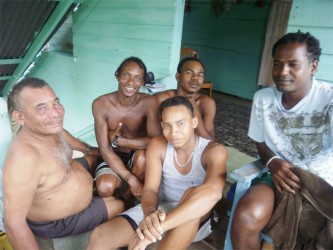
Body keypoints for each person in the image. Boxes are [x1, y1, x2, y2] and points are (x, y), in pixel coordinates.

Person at [231, 31, 333, 249]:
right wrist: (273, 162)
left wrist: (304, 176)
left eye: (293, 64)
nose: (282, 72)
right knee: (246, 215)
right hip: (280, 176)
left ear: (313, 66)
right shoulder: (263, 99)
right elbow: (260, 142)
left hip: (324, 183)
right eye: (277, 64)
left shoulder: (329, 99)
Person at [87, 96, 227, 250]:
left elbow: (214, 193)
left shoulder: (213, 151)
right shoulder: (158, 145)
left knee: (191, 194)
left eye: (181, 124)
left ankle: (156, 233)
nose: (174, 132)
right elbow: (150, 190)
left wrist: (152, 232)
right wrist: (150, 214)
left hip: (197, 215)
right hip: (161, 210)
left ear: (194, 122)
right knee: (100, 236)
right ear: (162, 125)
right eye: (167, 125)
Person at [3, 77, 124, 249]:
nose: (55, 113)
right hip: (58, 221)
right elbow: (13, 224)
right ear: (20, 117)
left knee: (95, 158)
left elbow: (84, 148)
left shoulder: (52, 129)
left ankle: (95, 187)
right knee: (119, 204)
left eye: (56, 103)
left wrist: (97, 148)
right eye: (41, 108)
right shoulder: (23, 159)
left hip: (68, 176)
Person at [92, 57, 162, 200]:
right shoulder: (101, 104)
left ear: (142, 82)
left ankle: (127, 197)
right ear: (117, 75)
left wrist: (121, 142)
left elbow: (156, 140)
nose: (131, 82)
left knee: (143, 159)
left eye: (137, 78)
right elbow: (104, 149)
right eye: (126, 75)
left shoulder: (149, 102)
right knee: (105, 188)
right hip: (111, 154)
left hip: (135, 155)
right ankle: (125, 191)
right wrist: (131, 179)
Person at [155, 57, 216, 140]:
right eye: (189, 73)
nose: (195, 78)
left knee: (219, 151)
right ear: (178, 76)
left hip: (194, 148)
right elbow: (155, 136)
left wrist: (194, 110)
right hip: (166, 146)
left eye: (200, 75)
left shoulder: (207, 103)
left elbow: (209, 141)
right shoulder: (161, 99)